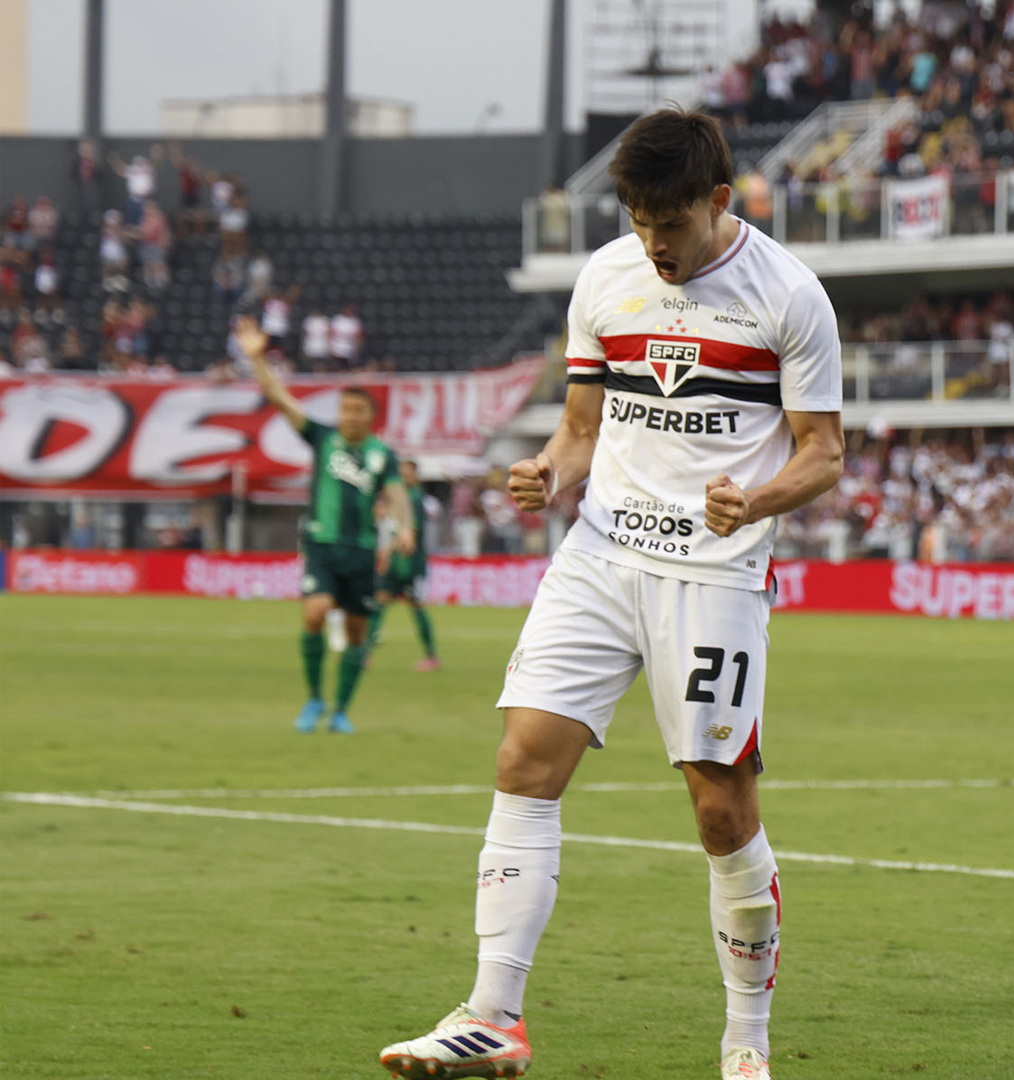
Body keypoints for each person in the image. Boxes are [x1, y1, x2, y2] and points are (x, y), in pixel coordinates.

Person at [377, 108, 844, 1080]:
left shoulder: (790, 296)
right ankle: (492, 1015)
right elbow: (582, 428)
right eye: (638, 222)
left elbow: (823, 454)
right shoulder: (605, 279)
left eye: (669, 223)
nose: (653, 243)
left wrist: (751, 500)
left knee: (721, 811)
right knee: (523, 760)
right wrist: (549, 471)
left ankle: (745, 1041)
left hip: (714, 572)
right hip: (599, 554)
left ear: (719, 201)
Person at [235, 316, 413, 735]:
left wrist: (405, 527)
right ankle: (314, 697)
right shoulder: (322, 438)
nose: (350, 416)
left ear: (370, 415)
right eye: (345, 409)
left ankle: (340, 711)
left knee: (356, 631)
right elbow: (280, 400)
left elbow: (397, 494)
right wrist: (258, 359)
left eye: (358, 410)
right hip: (322, 544)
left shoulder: (381, 455)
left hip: (362, 550)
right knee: (315, 612)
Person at [370, 459, 441, 673]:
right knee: (378, 605)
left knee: (416, 608)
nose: (403, 477)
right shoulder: (401, 499)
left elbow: (410, 534)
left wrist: (387, 551)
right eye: (400, 473)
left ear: (416, 476)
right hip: (396, 566)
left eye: (407, 473)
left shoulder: (415, 500)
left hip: (410, 565)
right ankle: (363, 654)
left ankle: (431, 656)